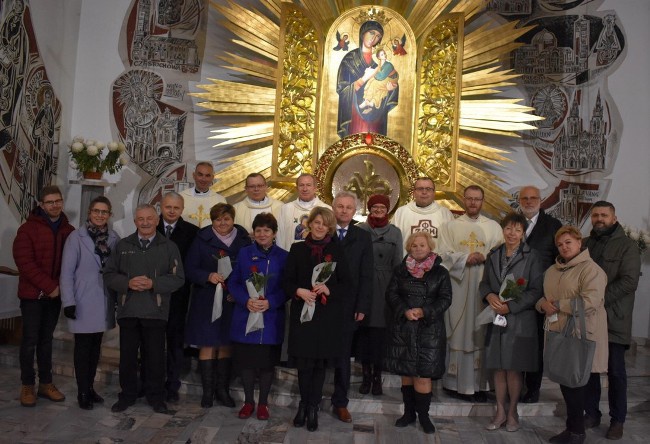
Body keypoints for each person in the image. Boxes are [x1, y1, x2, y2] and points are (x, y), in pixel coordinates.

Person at [103, 204, 185, 414]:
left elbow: (178, 279)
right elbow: (109, 274)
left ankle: (155, 397)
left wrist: (153, 284)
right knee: (128, 357)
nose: (146, 222)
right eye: (141, 219)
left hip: (155, 312)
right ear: (135, 221)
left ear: (157, 220)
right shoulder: (123, 245)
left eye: (149, 218)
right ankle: (127, 395)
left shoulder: (168, 246)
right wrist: (128, 283)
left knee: (155, 358)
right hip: (128, 310)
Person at [537, 226, 608, 444]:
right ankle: (573, 429)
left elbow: (591, 301)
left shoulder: (591, 269)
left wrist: (559, 305)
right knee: (566, 384)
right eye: (560, 244)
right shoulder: (552, 270)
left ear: (579, 243)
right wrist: (542, 305)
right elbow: (544, 298)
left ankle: (577, 432)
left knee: (576, 384)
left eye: (568, 242)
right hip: (558, 333)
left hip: (580, 334)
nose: (564, 247)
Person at [282, 207, 351, 432]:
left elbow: (347, 284)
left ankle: (313, 407)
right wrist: (299, 291)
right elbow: (286, 281)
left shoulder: (337, 250)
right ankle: (303, 404)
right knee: (304, 363)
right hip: (303, 313)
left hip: (326, 317)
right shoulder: (297, 248)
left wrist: (329, 290)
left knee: (320, 364)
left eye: (324, 224)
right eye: (316, 222)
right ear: (309, 224)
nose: (320, 227)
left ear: (330, 227)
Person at [479, 213, 543, 432]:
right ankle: (499, 411)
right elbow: (484, 283)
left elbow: (536, 290)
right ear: (502, 230)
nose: (512, 233)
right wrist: (489, 296)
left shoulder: (532, 256)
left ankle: (513, 411)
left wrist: (511, 306)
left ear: (523, 232)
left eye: (517, 230)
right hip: (496, 317)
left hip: (519, 319)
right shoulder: (494, 254)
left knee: (514, 369)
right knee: (498, 368)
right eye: (508, 229)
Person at [438, 185, 503, 402]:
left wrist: (484, 257)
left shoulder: (494, 227)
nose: (473, 203)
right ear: (463, 200)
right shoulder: (450, 226)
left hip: (485, 289)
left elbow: (502, 254)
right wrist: (465, 258)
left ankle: (480, 384)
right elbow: (442, 254)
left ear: (483, 201)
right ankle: (453, 383)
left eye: (477, 199)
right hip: (459, 286)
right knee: (458, 330)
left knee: (481, 332)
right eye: (469, 199)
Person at [583, 201, 641, 440]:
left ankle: (617, 420)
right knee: (590, 370)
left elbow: (629, 281)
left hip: (614, 318)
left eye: (604, 215)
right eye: (595, 215)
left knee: (616, 373)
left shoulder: (628, 246)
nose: (599, 219)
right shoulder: (585, 244)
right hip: (589, 319)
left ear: (614, 218)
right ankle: (592, 413)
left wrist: (598, 299)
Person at [13, 185, 75, 407]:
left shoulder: (69, 230)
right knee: (30, 341)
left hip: (55, 296)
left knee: (46, 340)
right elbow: (24, 262)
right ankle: (27, 385)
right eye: (50, 202)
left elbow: (72, 264)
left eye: (58, 201)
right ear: (41, 204)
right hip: (33, 295)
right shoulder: (27, 229)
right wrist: (50, 286)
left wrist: (60, 288)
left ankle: (46, 384)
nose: (55, 205)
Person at [384, 231, 452, 434]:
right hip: (404, 328)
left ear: (430, 247)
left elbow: (445, 299)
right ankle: (408, 414)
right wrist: (405, 310)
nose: (418, 248)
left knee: (423, 375)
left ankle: (424, 416)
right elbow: (391, 293)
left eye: (422, 245)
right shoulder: (400, 270)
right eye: (414, 245)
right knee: (406, 374)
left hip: (429, 330)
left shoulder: (441, 273)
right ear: (409, 248)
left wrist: (425, 311)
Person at [184, 203, 251, 408]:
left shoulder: (243, 240)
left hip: (232, 299)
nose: (223, 223)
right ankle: (207, 392)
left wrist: (237, 291)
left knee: (225, 343)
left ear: (233, 219)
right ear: (212, 221)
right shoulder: (201, 239)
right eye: (218, 219)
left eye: (227, 219)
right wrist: (208, 276)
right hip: (206, 298)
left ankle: (222, 390)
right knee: (208, 342)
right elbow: (189, 268)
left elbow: (249, 269)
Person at [60, 196, 119, 410]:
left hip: (103, 299)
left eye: (104, 212)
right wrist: (69, 301)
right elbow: (66, 272)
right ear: (89, 213)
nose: (100, 215)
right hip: (83, 300)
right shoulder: (76, 238)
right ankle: (82, 391)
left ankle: (90, 387)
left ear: (109, 215)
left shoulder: (114, 238)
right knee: (83, 348)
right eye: (96, 211)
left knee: (96, 347)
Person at [228, 213, 288, 420]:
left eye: (267, 230)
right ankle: (248, 402)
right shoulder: (244, 253)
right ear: (253, 233)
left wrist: (271, 301)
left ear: (274, 233)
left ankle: (263, 404)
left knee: (266, 364)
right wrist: (246, 300)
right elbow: (233, 282)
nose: (262, 234)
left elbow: (286, 287)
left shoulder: (283, 256)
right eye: (259, 230)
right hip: (247, 314)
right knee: (246, 363)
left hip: (270, 318)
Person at [330, 191, 373, 423]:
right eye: (340, 206)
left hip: (348, 306)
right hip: (323, 304)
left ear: (354, 211)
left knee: (343, 356)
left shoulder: (362, 236)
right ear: (333, 208)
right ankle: (313, 398)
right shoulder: (323, 231)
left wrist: (362, 305)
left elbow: (367, 274)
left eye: (348, 207)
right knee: (318, 354)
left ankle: (340, 402)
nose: (344, 210)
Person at [518, 185, 562, 403]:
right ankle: (514, 386)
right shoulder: (510, 223)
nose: (528, 201)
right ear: (519, 200)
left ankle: (532, 389)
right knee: (514, 342)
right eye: (524, 198)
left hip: (539, 297)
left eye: (533, 198)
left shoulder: (553, 226)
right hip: (513, 294)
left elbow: (559, 262)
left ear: (541, 200)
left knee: (535, 345)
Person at [356, 194, 402, 396]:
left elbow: (399, 263)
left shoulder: (395, 232)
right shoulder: (359, 230)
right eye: (374, 207)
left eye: (382, 208)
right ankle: (365, 375)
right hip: (364, 285)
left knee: (380, 335)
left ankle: (377, 377)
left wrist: (396, 290)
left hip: (386, 287)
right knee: (364, 334)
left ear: (388, 210)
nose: (378, 210)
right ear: (369, 209)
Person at [156, 192, 199, 403]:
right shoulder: (150, 227)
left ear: (182, 209)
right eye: (168, 207)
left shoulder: (191, 232)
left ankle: (172, 385)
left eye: (176, 208)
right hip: (151, 295)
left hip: (178, 297)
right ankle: (150, 383)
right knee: (152, 341)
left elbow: (192, 265)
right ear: (161, 207)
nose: (171, 211)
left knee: (174, 342)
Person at [336, 20, 398, 137]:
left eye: (378, 36)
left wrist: (392, 88)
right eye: (371, 33)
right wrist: (364, 79)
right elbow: (342, 89)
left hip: (378, 113)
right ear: (362, 33)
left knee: (377, 144)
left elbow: (392, 78)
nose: (374, 38)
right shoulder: (349, 59)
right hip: (355, 113)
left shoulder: (380, 60)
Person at [392, 177, 454, 255]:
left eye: (428, 189)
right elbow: (393, 243)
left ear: (434, 193)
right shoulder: (401, 213)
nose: (424, 192)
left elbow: (450, 246)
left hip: (437, 265)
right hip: (407, 265)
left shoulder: (445, 214)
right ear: (414, 192)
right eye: (420, 189)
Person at [276, 173, 331, 251]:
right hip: (290, 257)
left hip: (318, 259)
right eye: (301, 185)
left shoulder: (327, 209)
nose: (305, 189)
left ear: (315, 188)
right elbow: (280, 237)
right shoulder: (286, 209)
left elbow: (330, 238)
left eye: (308, 185)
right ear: (297, 188)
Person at [181, 162, 226, 228]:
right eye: (200, 175)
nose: (203, 179)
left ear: (212, 178)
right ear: (194, 175)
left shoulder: (220, 200)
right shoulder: (182, 197)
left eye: (207, 176)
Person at [359, 49, 398, 113]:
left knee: (375, 84)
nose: (384, 55)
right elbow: (375, 72)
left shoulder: (388, 65)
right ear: (379, 57)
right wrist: (369, 71)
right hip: (385, 79)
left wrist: (373, 73)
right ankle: (371, 102)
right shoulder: (380, 65)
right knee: (372, 83)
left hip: (391, 80)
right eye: (382, 54)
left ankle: (367, 100)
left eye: (384, 53)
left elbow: (381, 76)